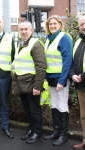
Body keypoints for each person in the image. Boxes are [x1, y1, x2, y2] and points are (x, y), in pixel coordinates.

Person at [12, 20, 47, 144]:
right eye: (21, 29)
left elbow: (41, 67)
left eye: (26, 29)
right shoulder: (21, 44)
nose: (23, 32)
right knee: (27, 109)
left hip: (32, 84)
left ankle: (37, 132)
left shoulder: (35, 44)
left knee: (34, 110)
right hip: (22, 84)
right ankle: (31, 130)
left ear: (31, 30)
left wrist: (37, 86)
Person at [43, 15, 73, 146]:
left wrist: (62, 80)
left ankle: (63, 135)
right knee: (54, 104)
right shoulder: (49, 39)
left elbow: (67, 60)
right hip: (50, 77)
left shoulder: (64, 37)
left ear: (60, 25)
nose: (52, 26)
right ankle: (56, 131)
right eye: (50, 24)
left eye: (55, 24)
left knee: (62, 105)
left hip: (61, 78)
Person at [70, 16, 85, 149]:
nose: (83, 26)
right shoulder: (78, 41)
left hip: (83, 80)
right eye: (81, 24)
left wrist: (82, 76)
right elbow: (74, 62)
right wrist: (73, 75)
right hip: (81, 86)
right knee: (83, 116)